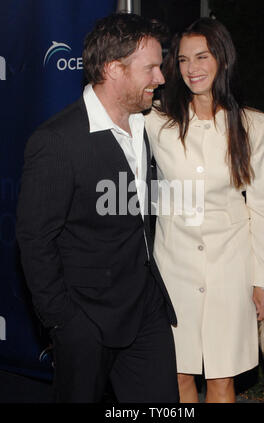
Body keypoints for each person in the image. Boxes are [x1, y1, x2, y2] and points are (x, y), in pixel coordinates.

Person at [16, 13, 179, 403]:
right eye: (151, 68)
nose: (160, 78)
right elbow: (35, 240)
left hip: (146, 309)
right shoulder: (57, 142)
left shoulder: (147, 125)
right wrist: (66, 323)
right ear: (113, 69)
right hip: (86, 320)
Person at [145, 18, 264, 403]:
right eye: (183, 59)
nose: (192, 68)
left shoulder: (252, 125)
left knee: (222, 376)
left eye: (201, 56)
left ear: (221, 58)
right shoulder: (158, 121)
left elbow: (261, 206)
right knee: (178, 372)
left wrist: (262, 279)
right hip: (173, 268)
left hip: (231, 268)